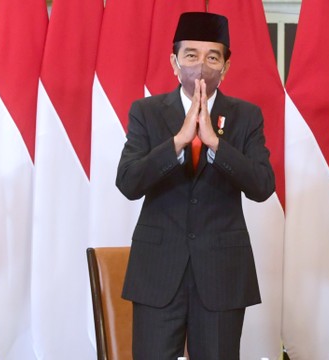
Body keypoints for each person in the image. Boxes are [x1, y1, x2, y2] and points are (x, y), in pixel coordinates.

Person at [116, 12, 275, 359]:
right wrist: (177, 141)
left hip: (221, 275)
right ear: (174, 62)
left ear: (226, 66)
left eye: (212, 57)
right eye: (191, 55)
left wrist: (216, 145)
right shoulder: (146, 112)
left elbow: (263, 186)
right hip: (158, 272)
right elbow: (128, 181)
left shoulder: (246, 116)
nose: (201, 65)